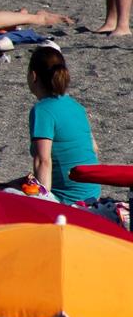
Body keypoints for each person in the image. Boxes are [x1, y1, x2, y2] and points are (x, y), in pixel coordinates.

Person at [23, 45, 100, 205]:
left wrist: (42, 204)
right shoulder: (76, 106)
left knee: (7, 193)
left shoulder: (42, 110)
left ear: (33, 75)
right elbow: (93, 148)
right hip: (92, 195)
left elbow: (43, 161)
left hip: (68, 200)